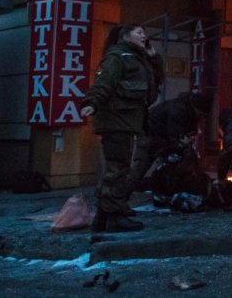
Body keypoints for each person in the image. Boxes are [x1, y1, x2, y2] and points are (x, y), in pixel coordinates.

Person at [80, 24, 164, 232]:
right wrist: (91, 102)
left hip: (126, 121)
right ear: (125, 36)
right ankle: (115, 217)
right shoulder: (117, 57)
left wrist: (154, 58)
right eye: (138, 32)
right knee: (117, 168)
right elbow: (104, 82)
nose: (144, 35)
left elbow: (155, 81)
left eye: (144, 32)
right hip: (116, 120)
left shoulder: (137, 58)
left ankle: (103, 217)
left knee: (116, 168)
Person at [144, 91, 215, 202]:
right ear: (196, 108)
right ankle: (124, 193)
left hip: (166, 135)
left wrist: (187, 140)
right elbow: (173, 135)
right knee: (146, 162)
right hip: (152, 132)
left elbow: (187, 133)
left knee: (180, 158)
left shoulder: (192, 113)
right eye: (201, 114)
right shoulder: (178, 110)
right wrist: (182, 142)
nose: (202, 118)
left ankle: (171, 189)